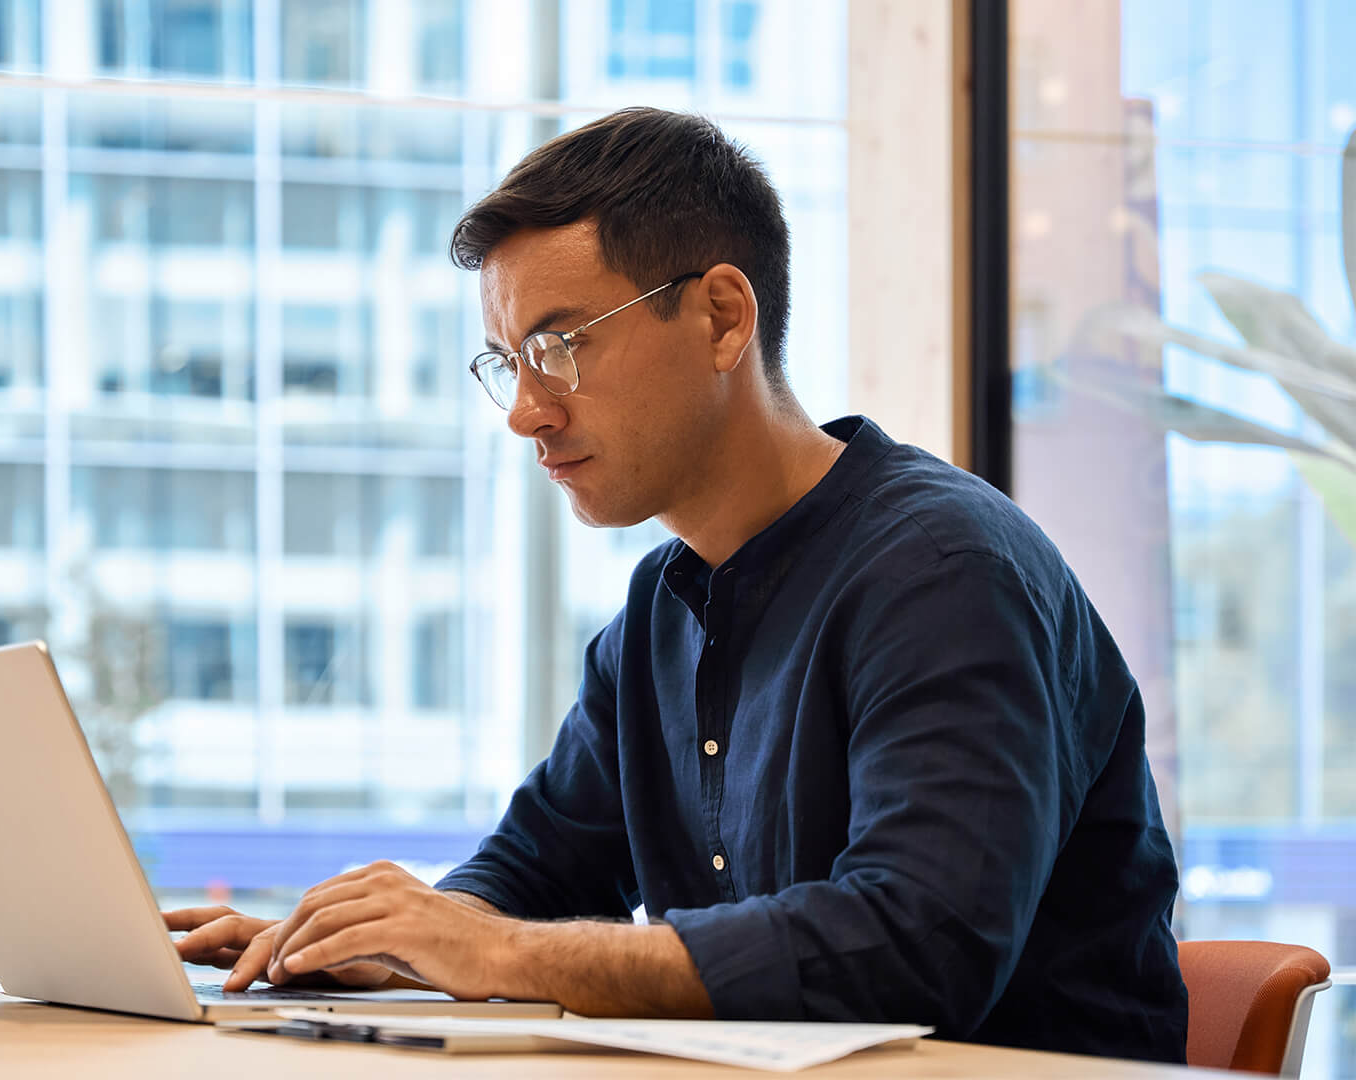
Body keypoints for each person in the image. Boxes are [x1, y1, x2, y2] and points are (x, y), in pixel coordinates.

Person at [162, 107, 1189, 1063]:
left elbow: (914, 946)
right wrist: (368, 944)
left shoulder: (945, 573)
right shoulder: (658, 613)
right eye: (506, 362)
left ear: (722, 318)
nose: (525, 412)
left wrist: (500, 955)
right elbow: (534, 872)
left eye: (558, 347)